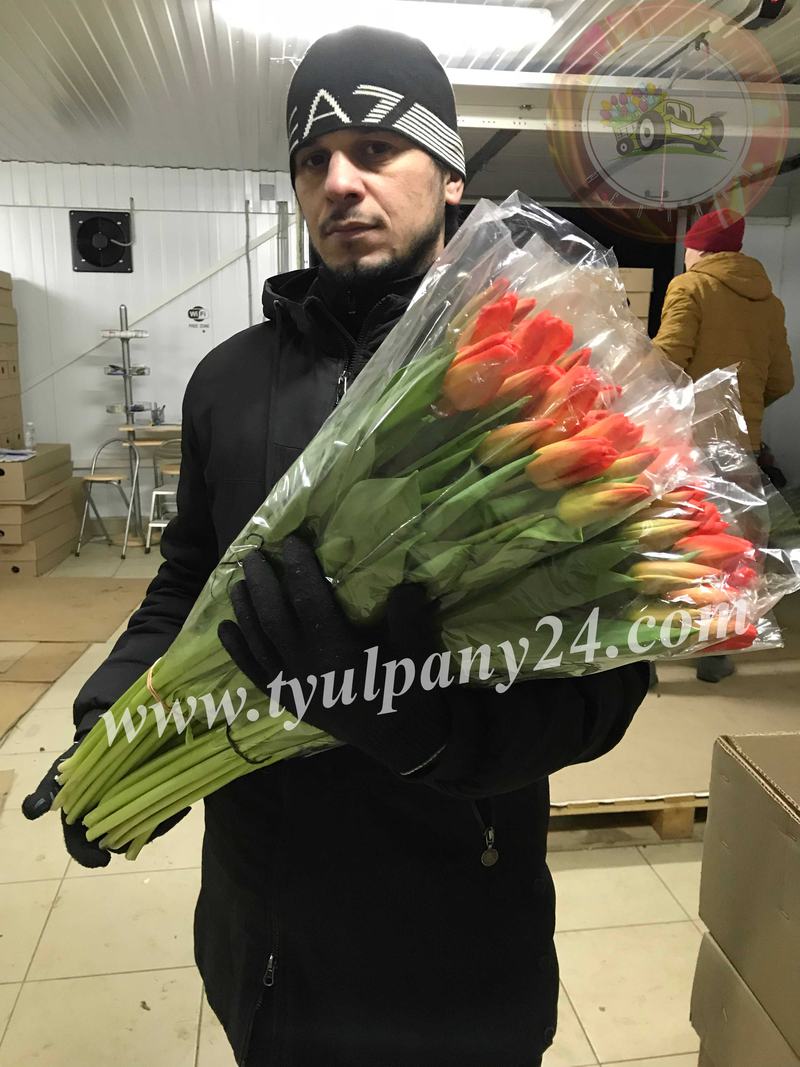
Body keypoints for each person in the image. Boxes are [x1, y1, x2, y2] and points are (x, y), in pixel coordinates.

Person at [23, 27, 648, 1067]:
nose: (340, 181)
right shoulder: (229, 380)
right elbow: (188, 578)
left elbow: (611, 675)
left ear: (450, 174)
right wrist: (116, 719)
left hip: (459, 938)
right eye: (313, 159)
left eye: (376, 149)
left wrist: (434, 734)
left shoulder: (528, 387)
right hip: (265, 935)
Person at [654, 208, 794, 683]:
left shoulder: (690, 287)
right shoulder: (769, 302)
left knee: (667, 545)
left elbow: (668, 360)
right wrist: (741, 411)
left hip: (687, 443)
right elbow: (782, 380)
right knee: (730, 551)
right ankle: (714, 653)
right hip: (739, 446)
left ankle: (646, 655)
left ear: (697, 249)